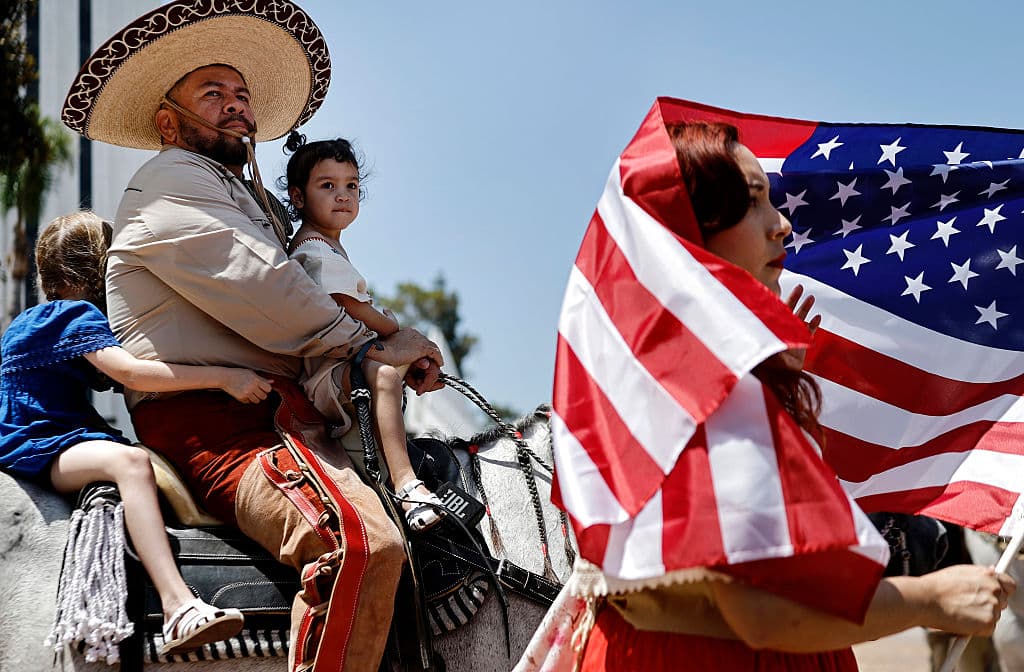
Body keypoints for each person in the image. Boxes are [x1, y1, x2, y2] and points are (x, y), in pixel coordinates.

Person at [518, 118, 1015, 671]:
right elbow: (768, 610)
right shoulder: (712, 390)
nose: (782, 226)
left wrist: (774, 393)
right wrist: (934, 598)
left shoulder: (656, 376)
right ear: (693, 231)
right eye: (754, 202)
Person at [61, 2, 445, 670]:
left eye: (241, 93)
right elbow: (267, 290)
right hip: (218, 425)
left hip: (274, 412)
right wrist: (372, 347)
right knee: (362, 545)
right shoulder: (170, 184)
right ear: (167, 121)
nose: (235, 105)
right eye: (213, 93)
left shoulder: (240, 193)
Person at [0, 212, 270, 655]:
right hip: (37, 443)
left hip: (42, 435)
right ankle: (178, 605)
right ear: (101, 268)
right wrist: (225, 376)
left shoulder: (36, 320)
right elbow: (132, 373)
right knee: (130, 462)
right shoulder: (73, 316)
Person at [282, 134, 445, 532]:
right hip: (326, 374)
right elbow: (351, 307)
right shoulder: (314, 250)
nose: (343, 195)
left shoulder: (328, 248)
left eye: (351, 186)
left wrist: (407, 350)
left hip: (344, 363)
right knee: (386, 374)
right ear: (298, 197)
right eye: (328, 186)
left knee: (391, 369)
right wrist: (400, 334)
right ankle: (406, 483)